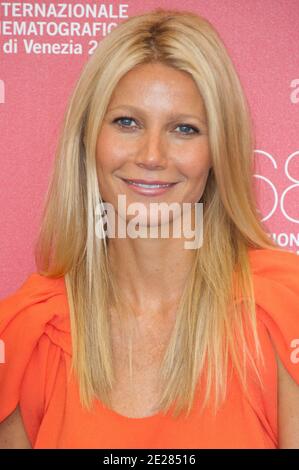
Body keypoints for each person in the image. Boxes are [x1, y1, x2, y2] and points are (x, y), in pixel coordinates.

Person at [0, 8, 298, 449]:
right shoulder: (31, 329)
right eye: (127, 122)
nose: (153, 155)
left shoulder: (280, 305)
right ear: (87, 139)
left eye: (184, 129)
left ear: (218, 149)